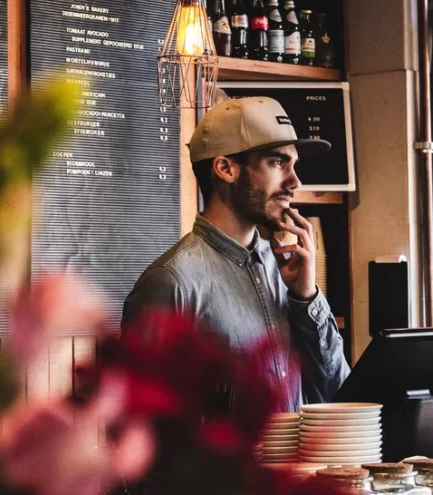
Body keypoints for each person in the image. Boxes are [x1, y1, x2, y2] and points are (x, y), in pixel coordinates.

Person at [122, 95, 350, 412]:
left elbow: (337, 393)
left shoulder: (288, 272)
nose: (295, 181)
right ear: (226, 168)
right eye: (277, 163)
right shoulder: (171, 283)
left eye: (294, 165)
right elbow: (145, 427)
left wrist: (306, 297)